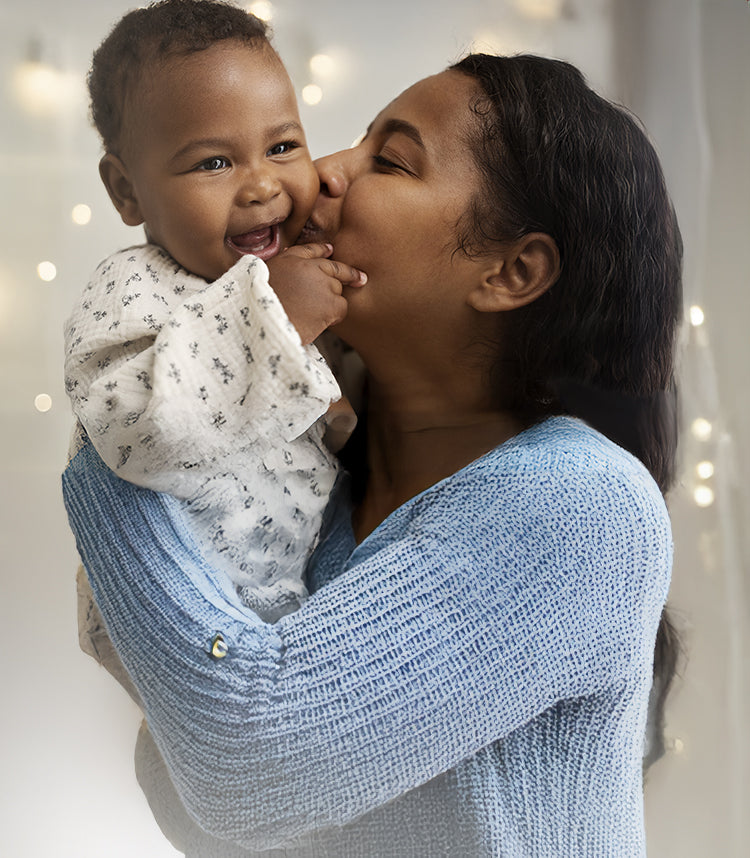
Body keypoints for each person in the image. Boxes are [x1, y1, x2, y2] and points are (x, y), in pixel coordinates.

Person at [63, 51, 682, 856]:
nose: (319, 173)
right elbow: (207, 817)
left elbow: (247, 770)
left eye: (390, 160)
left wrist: (115, 434)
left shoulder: (582, 503)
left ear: (512, 271)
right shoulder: (313, 510)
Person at [64, 0, 365, 621]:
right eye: (214, 163)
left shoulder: (305, 263)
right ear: (127, 191)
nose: (260, 185)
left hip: (297, 593)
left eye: (282, 146)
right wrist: (271, 317)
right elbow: (132, 426)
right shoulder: (130, 288)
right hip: (185, 613)